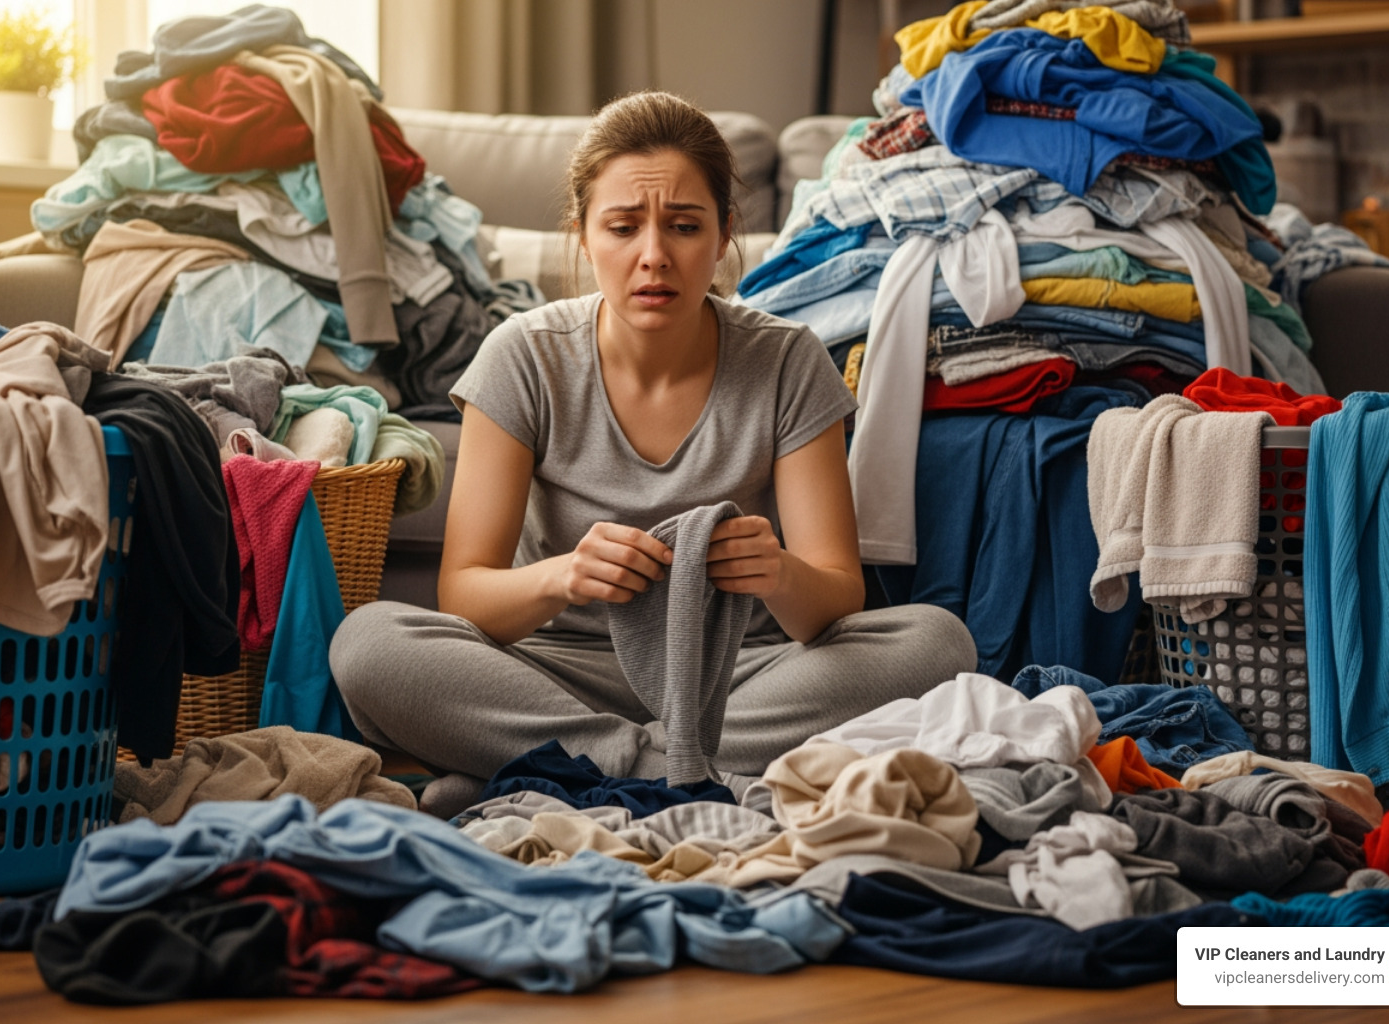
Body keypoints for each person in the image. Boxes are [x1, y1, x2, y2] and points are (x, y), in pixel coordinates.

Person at [330, 91, 976, 816]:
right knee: (367, 643)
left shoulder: (787, 360)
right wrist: (563, 577)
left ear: (724, 235)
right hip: (561, 674)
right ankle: (674, 769)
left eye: (685, 226)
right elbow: (466, 595)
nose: (654, 257)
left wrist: (779, 573)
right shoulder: (522, 357)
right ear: (583, 236)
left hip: (743, 675)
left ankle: (562, 771)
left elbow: (835, 598)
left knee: (936, 643)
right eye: (622, 227)